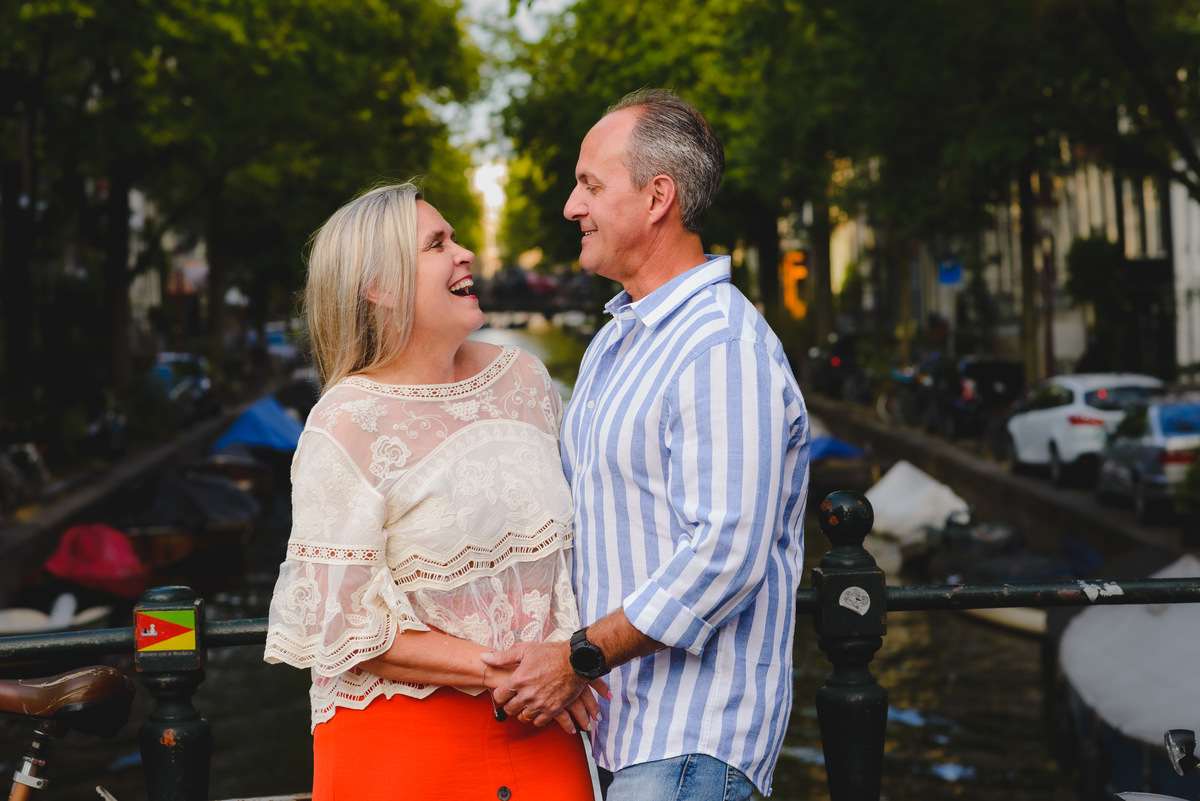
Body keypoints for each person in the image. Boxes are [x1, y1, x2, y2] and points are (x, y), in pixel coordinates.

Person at [483, 89, 811, 800]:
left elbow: (724, 555)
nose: (572, 205)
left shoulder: (720, 343)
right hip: (617, 740)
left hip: (692, 745)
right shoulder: (614, 343)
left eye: (590, 185)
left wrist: (577, 658)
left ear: (657, 196)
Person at [263, 182, 605, 800]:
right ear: (380, 286)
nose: (465, 252)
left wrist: (568, 662)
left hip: (546, 725)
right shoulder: (345, 422)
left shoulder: (525, 379)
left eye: (455, 237)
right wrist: (518, 668)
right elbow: (337, 624)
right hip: (406, 744)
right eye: (436, 244)